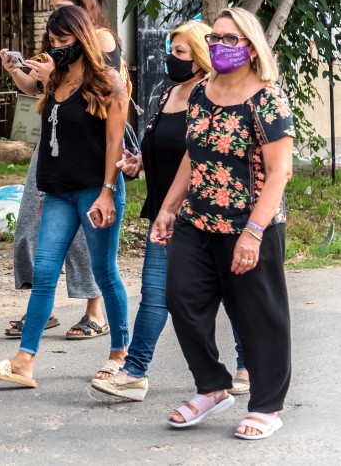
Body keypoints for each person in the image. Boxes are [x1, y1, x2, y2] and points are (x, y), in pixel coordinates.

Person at [152, 7, 293, 440]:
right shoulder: (201, 91)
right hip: (198, 219)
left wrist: (253, 232)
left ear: (250, 47)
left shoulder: (267, 99)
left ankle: (267, 407)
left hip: (249, 224)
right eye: (215, 37)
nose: (219, 45)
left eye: (231, 39)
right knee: (181, 298)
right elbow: (193, 153)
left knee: (257, 316)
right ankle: (212, 387)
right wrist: (168, 207)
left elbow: (280, 171)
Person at [91, 20, 248, 401]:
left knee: (232, 294)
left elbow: (205, 154)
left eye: (179, 53)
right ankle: (134, 372)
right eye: (170, 50)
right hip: (163, 213)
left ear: (199, 57)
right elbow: (163, 145)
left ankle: (248, 364)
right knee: (154, 293)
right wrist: (139, 162)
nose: (170, 59)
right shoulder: (167, 93)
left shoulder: (212, 96)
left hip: (206, 216)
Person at [0, 5, 130, 388]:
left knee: (104, 272)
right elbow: (52, 139)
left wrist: (108, 193)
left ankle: (120, 355)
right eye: (52, 40)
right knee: (45, 272)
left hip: (96, 191)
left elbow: (115, 144)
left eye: (64, 40)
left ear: (82, 38)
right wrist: (45, 190)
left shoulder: (109, 81)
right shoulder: (56, 78)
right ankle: (24, 361)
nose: (57, 46)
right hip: (59, 193)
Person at [3, 0, 122, 353]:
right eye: (52, 10)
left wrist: (107, 191)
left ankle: (115, 342)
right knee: (39, 255)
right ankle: (26, 353)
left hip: (90, 169)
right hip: (56, 166)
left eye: (61, 8)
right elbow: (38, 94)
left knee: (101, 264)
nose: (55, 45)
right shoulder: (56, 63)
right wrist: (19, 71)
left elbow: (110, 130)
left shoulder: (103, 54)